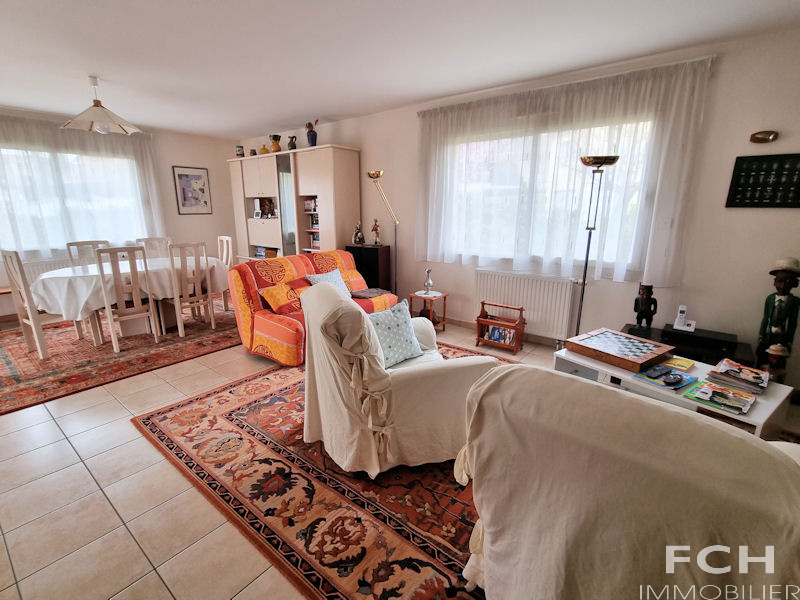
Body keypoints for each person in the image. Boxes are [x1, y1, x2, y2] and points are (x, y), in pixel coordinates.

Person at [757, 257, 800, 369]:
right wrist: (761, 335)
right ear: (775, 281)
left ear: (795, 283)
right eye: (780, 281)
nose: (783, 286)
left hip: (782, 339)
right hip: (768, 337)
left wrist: (789, 341)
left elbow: (792, 322)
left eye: (788, 282)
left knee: (778, 363)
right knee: (762, 360)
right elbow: (765, 318)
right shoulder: (770, 299)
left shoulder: (794, 301)